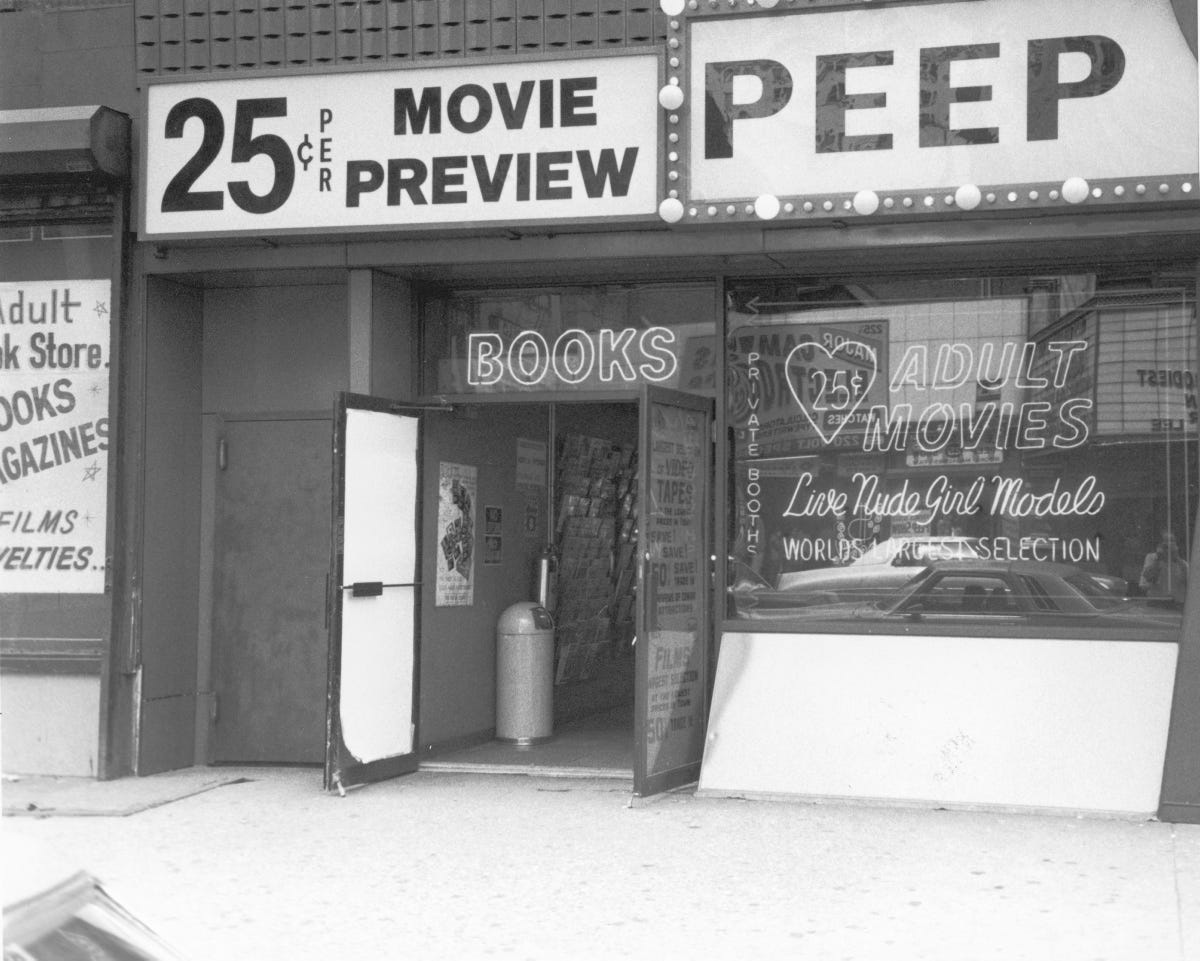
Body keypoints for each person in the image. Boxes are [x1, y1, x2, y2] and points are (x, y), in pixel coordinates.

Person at [1139, 530, 1188, 604]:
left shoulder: (1183, 563)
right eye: (1165, 541)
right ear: (1160, 544)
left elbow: (1191, 584)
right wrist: (1159, 559)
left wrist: (1177, 558)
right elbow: (1147, 580)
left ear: (1176, 544)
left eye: (1172, 541)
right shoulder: (1152, 558)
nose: (1169, 544)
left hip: (1178, 605)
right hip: (1156, 604)